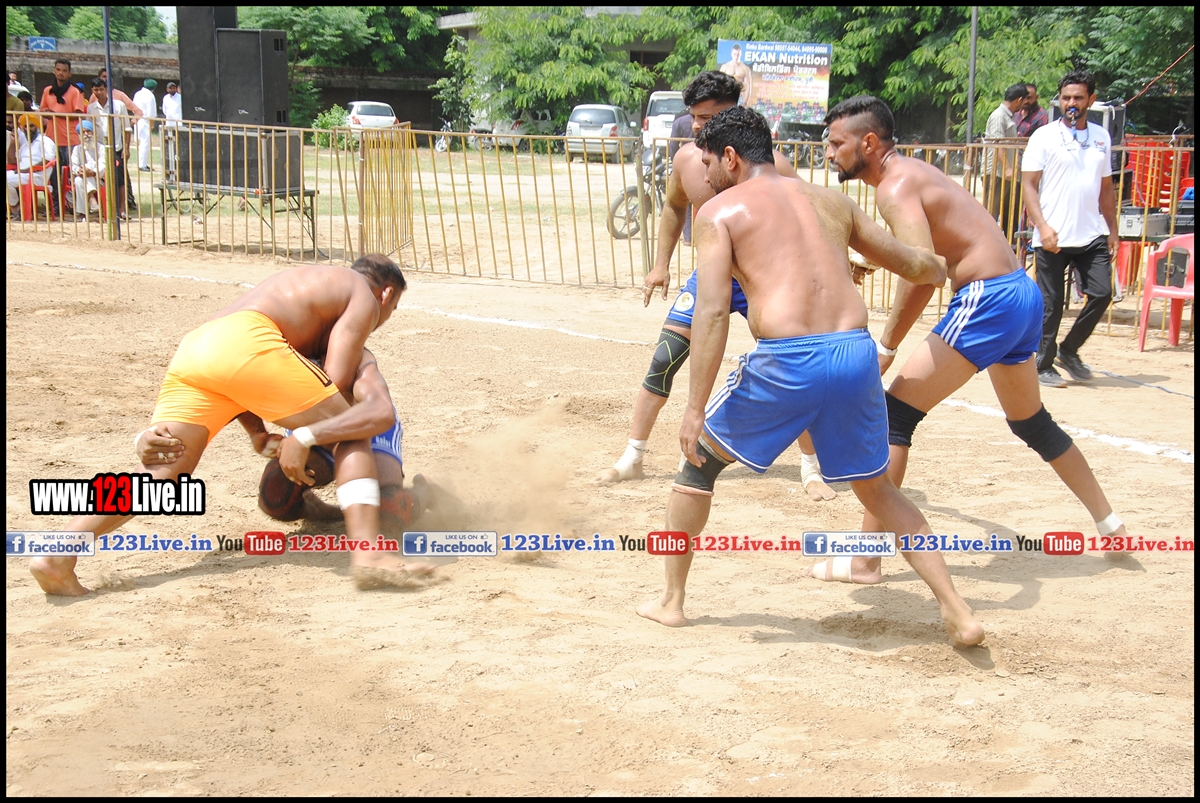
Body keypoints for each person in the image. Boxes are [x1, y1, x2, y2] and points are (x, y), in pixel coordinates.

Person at [635, 106, 983, 647]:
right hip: (854, 354)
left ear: (731, 157)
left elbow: (712, 312)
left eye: (708, 163)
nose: (704, 175)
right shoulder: (831, 201)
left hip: (789, 360)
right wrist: (938, 266)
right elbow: (911, 263)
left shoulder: (720, 212)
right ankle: (958, 611)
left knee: (697, 465)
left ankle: (670, 601)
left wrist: (694, 407)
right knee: (878, 489)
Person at [809, 95, 1129, 585]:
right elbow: (932, 250)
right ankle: (1111, 526)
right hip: (1019, 293)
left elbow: (924, 271)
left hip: (989, 299)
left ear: (868, 143)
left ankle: (865, 560)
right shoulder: (912, 173)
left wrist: (887, 346)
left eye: (836, 143)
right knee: (1032, 423)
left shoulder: (894, 186)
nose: (829, 153)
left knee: (895, 416)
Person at [28, 255, 414, 597]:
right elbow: (335, 380)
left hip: (198, 347)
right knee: (349, 428)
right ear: (386, 294)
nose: (383, 319)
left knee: (164, 470)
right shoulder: (363, 295)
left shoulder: (309, 286)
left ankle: (58, 555)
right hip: (249, 342)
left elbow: (238, 372)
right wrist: (307, 433)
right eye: (392, 308)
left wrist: (257, 431)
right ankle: (369, 554)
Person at [595, 71, 836, 502]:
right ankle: (633, 456)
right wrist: (660, 265)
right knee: (664, 358)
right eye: (694, 117)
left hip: (765, 280)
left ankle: (811, 467)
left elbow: (808, 217)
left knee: (793, 367)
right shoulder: (688, 160)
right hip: (710, 276)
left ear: (733, 113)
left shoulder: (772, 166)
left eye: (708, 117)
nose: (698, 126)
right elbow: (674, 207)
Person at [135, 348, 452, 534]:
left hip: (365, 429)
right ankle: (325, 512)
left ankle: (425, 491)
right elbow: (229, 388)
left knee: (390, 514)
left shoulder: (355, 352)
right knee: (276, 498)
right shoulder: (272, 344)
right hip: (312, 434)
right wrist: (257, 433)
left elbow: (377, 409)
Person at [1021, 70, 1118, 389]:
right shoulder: (1044, 136)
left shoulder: (1101, 138)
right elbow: (1029, 185)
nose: (1071, 103)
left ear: (1091, 99)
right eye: (1065, 98)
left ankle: (1069, 350)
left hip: (1091, 233)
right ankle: (1043, 363)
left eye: (1078, 97)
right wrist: (1041, 226)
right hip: (1052, 235)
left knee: (1102, 293)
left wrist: (1113, 231)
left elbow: (1106, 188)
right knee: (1052, 305)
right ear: (1059, 101)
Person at [37, 58, 88, 216]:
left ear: (69, 73)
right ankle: (57, 209)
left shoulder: (75, 91)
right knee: (54, 177)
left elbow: (78, 114)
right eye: (58, 70)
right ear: (54, 71)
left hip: (70, 140)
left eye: (64, 70)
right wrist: (47, 114)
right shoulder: (48, 91)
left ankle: (77, 208)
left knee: (73, 176)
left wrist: (56, 114)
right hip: (51, 139)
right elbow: (43, 110)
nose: (61, 73)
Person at [982, 83, 1027, 238]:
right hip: (997, 172)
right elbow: (997, 144)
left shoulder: (1008, 116)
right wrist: (1007, 167)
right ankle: (985, 243)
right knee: (991, 213)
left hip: (1007, 174)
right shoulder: (999, 116)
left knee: (1011, 212)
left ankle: (1009, 245)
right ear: (1019, 100)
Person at [87, 77, 133, 218]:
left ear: (106, 89)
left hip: (116, 147)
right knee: (100, 177)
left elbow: (126, 128)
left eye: (101, 89)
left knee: (119, 179)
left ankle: (122, 209)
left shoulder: (118, 106)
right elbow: (89, 129)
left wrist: (126, 148)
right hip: (99, 148)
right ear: (92, 91)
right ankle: (105, 208)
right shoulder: (91, 108)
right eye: (96, 90)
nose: (98, 92)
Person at [6, 114, 57, 220]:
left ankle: (16, 210)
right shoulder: (26, 145)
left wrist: (25, 170)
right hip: (22, 175)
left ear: (38, 127)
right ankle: (17, 209)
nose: (28, 129)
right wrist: (13, 142)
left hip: (37, 176)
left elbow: (47, 160)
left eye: (31, 126)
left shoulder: (45, 141)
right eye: (25, 126)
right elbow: (12, 161)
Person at [69, 119, 104, 219]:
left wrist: (92, 172)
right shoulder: (77, 149)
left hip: (99, 179)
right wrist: (78, 170)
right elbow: (73, 165)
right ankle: (92, 200)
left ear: (93, 133)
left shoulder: (101, 148)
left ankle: (82, 213)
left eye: (88, 131)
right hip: (82, 177)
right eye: (83, 132)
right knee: (78, 180)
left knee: (81, 178)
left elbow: (103, 164)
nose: (86, 134)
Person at [133, 78, 157, 171]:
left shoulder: (137, 93)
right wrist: (152, 125)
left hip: (137, 119)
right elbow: (151, 113)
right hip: (145, 121)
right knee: (144, 143)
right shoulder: (150, 96)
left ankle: (141, 163)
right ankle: (142, 165)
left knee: (140, 143)